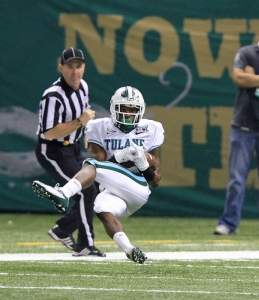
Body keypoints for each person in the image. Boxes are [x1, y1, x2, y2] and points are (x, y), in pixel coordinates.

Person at [32, 86, 165, 263]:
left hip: (138, 188)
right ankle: (130, 249)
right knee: (101, 207)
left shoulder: (152, 128)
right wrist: (120, 157)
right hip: (113, 192)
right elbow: (101, 167)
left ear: (140, 111)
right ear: (113, 109)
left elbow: (155, 182)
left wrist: (142, 164)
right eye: (123, 109)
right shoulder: (99, 127)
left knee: (92, 165)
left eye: (132, 110)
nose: (128, 115)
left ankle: (64, 193)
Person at [214, 12, 259, 236]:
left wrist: (255, 78)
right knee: (236, 179)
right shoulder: (246, 53)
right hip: (242, 125)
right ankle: (228, 223)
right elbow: (238, 78)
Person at [35, 47, 105, 257]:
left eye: (79, 66)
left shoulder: (82, 86)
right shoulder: (53, 96)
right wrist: (79, 123)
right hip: (53, 151)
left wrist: (86, 131)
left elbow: (85, 113)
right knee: (86, 189)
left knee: (97, 187)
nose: (75, 71)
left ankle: (63, 229)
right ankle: (84, 244)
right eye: (70, 67)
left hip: (72, 148)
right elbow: (49, 133)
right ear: (61, 68)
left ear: (84, 68)